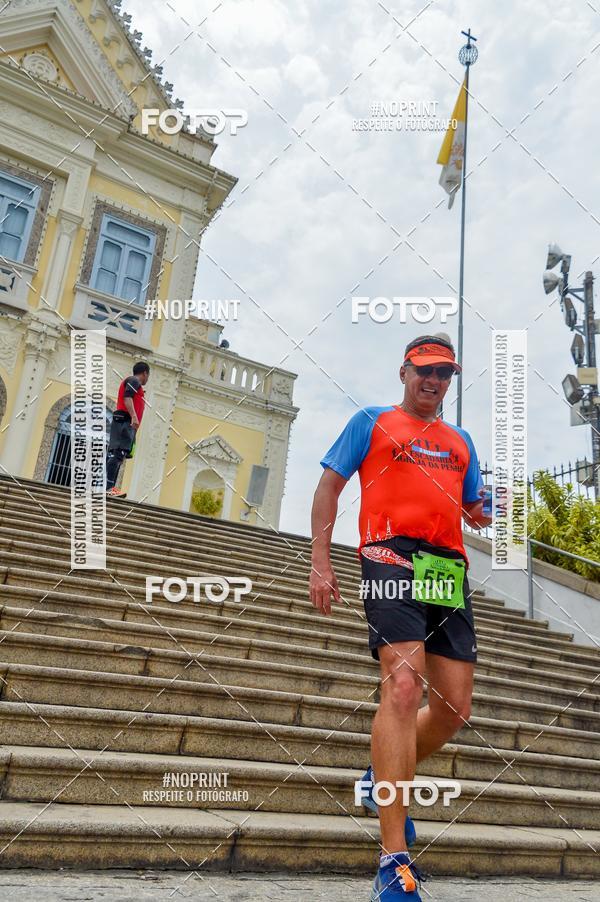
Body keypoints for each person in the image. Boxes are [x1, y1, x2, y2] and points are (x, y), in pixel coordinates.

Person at [309, 335, 491, 900]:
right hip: (389, 552)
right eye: (425, 371)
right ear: (404, 372)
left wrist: (489, 509)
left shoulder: (460, 441)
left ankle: (376, 776)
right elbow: (329, 486)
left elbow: (473, 510)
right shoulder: (372, 420)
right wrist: (321, 559)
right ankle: (394, 861)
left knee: (455, 708)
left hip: (446, 567)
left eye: (444, 374)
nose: (434, 381)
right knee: (403, 687)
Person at [106, 361, 150, 498]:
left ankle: (110, 487)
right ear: (145, 373)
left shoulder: (135, 385)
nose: (147, 379)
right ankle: (108, 487)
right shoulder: (134, 380)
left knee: (120, 455)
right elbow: (127, 397)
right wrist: (134, 417)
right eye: (148, 376)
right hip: (125, 421)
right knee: (117, 454)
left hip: (126, 423)